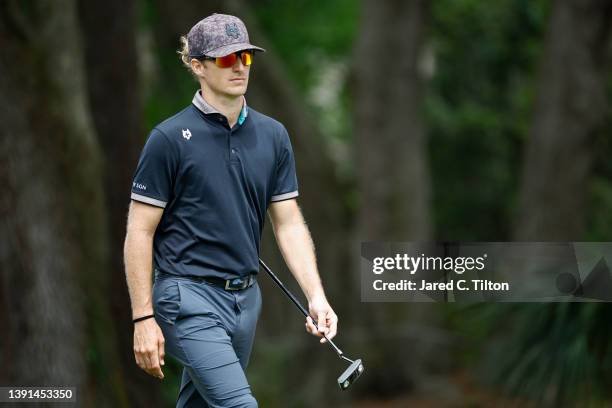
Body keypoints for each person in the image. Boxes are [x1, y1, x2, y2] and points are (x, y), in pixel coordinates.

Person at [123, 13, 338, 407]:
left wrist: (316, 296)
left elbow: (288, 223)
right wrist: (143, 318)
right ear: (197, 66)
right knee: (239, 404)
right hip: (185, 297)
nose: (238, 66)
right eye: (225, 58)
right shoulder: (169, 139)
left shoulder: (273, 135)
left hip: (245, 302)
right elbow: (139, 231)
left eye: (246, 56)